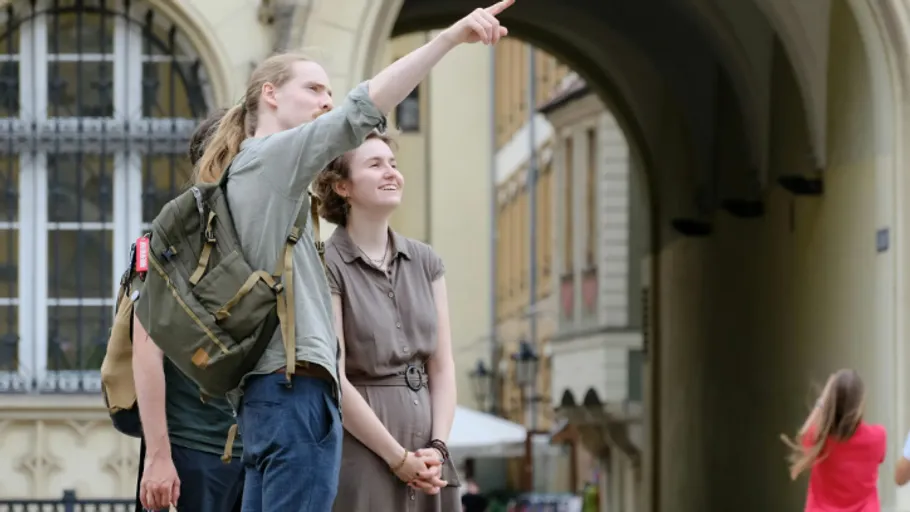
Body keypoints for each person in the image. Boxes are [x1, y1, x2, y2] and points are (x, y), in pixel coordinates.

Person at [184, 2, 514, 510]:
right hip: (297, 398)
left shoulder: (246, 173)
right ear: (269, 95)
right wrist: (448, 38)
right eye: (313, 89)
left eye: (329, 91)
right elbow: (365, 108)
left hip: (265, 397)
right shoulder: (273, 159)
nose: (326, 102)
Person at [312, 131, 456, 510]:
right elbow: (335, 380)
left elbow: (442, 368)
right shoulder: (326, 264)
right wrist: (398, 458)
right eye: (375, 165)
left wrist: (437, 448)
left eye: (392, 163)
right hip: (364, 452)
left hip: (430, 455)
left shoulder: (427, 262)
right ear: (342, 186)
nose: (391, 172)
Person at [133, 109, 245, 512]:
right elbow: (146, 348)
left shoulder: (270, 236)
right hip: (192, 449)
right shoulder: (164, 237)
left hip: (260, 449)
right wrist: (158, 456)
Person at [780, 369, 886, 512]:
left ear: (831, 401)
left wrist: (822, 401)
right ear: (860, 404)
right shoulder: (877, 437)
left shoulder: (819, 438)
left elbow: (803, 436)